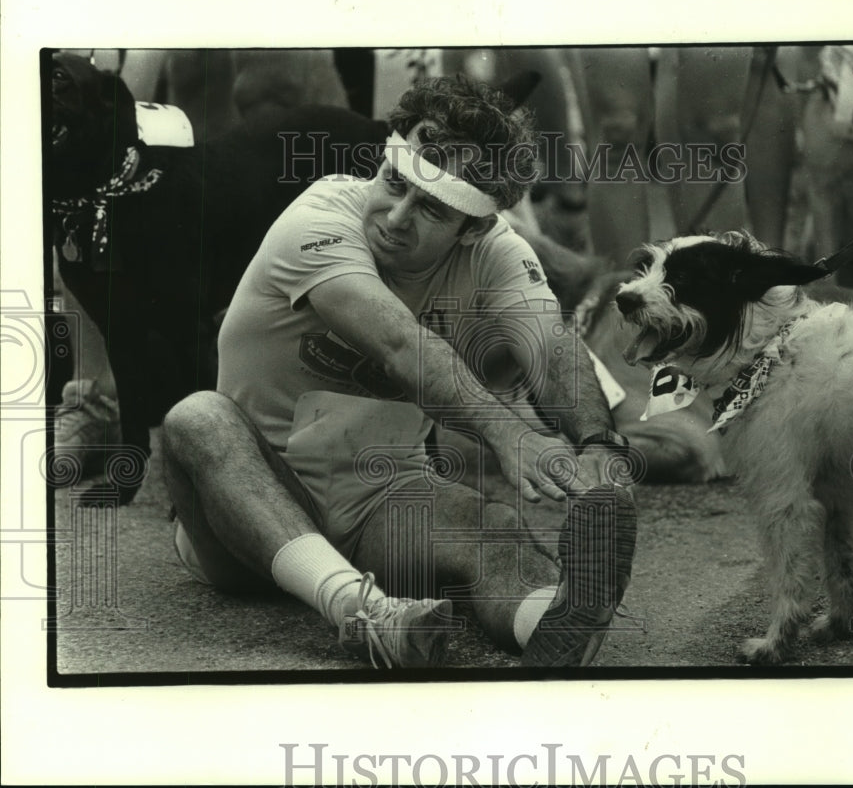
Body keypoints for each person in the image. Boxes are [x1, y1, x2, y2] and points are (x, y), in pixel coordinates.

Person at [162, 75, 638, 668]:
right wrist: (510, 432)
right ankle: (364, 614)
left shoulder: (498, 250)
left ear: (473, 229)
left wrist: (598, 442)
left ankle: (550, 622)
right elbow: (398, 344)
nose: (394, 217)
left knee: (494, 528)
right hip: (244, 514)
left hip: (380, 506)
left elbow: (552, 345)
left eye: (431, 209)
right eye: (394, 183)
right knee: (196, 418)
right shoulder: (318, 218)